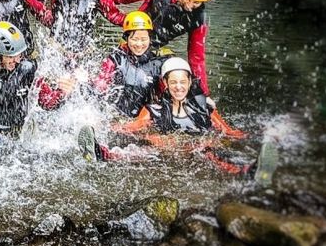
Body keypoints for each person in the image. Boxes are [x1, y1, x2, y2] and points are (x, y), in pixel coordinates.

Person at [77, 57, 278, 185]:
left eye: (183, 82)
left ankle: (250, 171)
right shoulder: (154, 110)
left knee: (213, 154)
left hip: (198, 151)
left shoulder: (205, 109)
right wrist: (100, 124)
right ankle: (101, 153)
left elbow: (230, 132)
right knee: (140, 151)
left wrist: (263, 134)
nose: (178, 87)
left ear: (190, 82)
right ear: (165, 83)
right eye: (173, 82)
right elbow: (131, 127)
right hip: (164, 152)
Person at [100, 0, 243, 137]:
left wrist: (203, 94)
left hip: (155, 53)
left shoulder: (198, 18)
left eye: (196, 2)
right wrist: (127, 22)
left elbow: (196, 58)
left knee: (180, 78)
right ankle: (123, 127)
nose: (190, 5)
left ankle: (223, 129)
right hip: (132, 45)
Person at [0, 22, 73, 139]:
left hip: (16, 135)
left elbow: (46, 102)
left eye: (19, 55)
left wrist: (62, 93)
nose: (17, 61)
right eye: (10, 56)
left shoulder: (27, 70)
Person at [92, 11, 168, 118]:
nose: (139, 44)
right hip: (116, 116)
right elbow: (100, 86)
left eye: (143, 39)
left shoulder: (157, 63)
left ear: (150, 39)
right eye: (134, 39)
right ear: (126, 38)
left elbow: (167, 94)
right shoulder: (115, 59)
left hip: (143, 118)